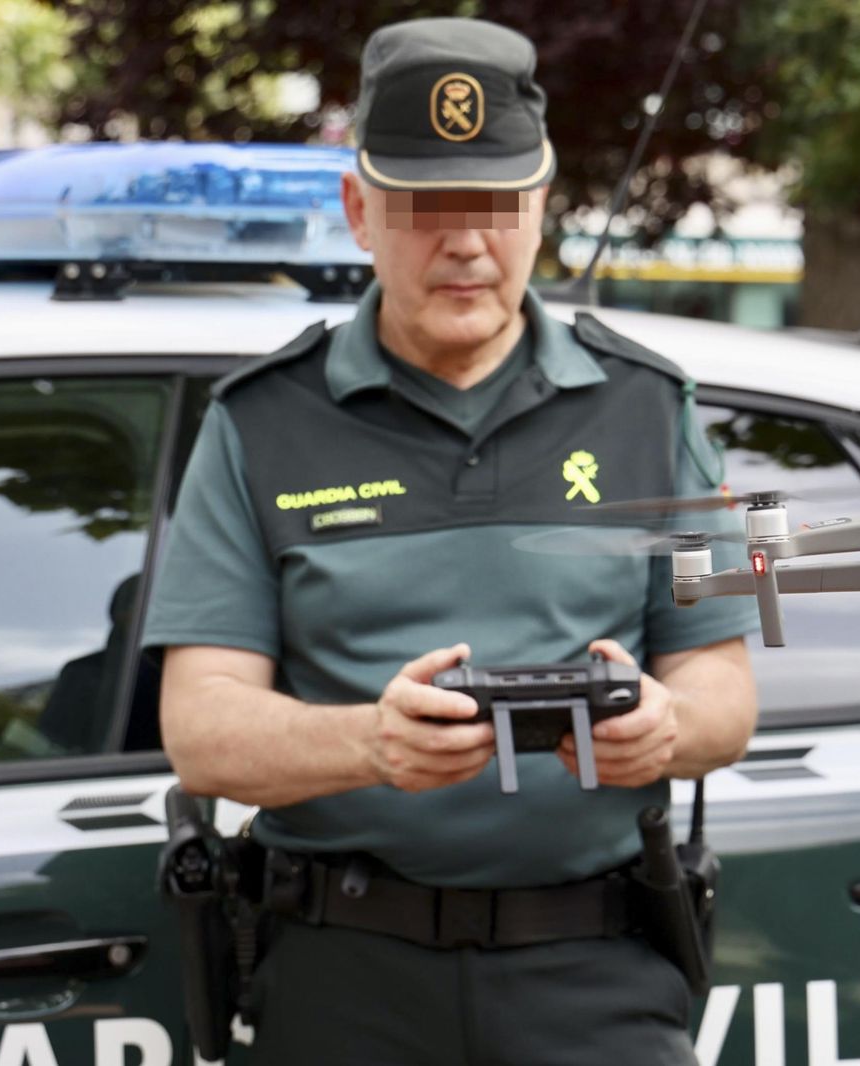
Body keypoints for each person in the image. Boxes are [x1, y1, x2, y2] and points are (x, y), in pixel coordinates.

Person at [142, 16, 759, 1065]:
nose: (467, 242)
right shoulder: (258, 423)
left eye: (496, 205)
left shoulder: (653, 410)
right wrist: (370, 744)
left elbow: (726, 697)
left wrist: (664, 726)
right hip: (342, 977)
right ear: (360, 212)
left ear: (540, 206)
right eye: (428, 208)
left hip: (596, 974)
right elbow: (201, 729)